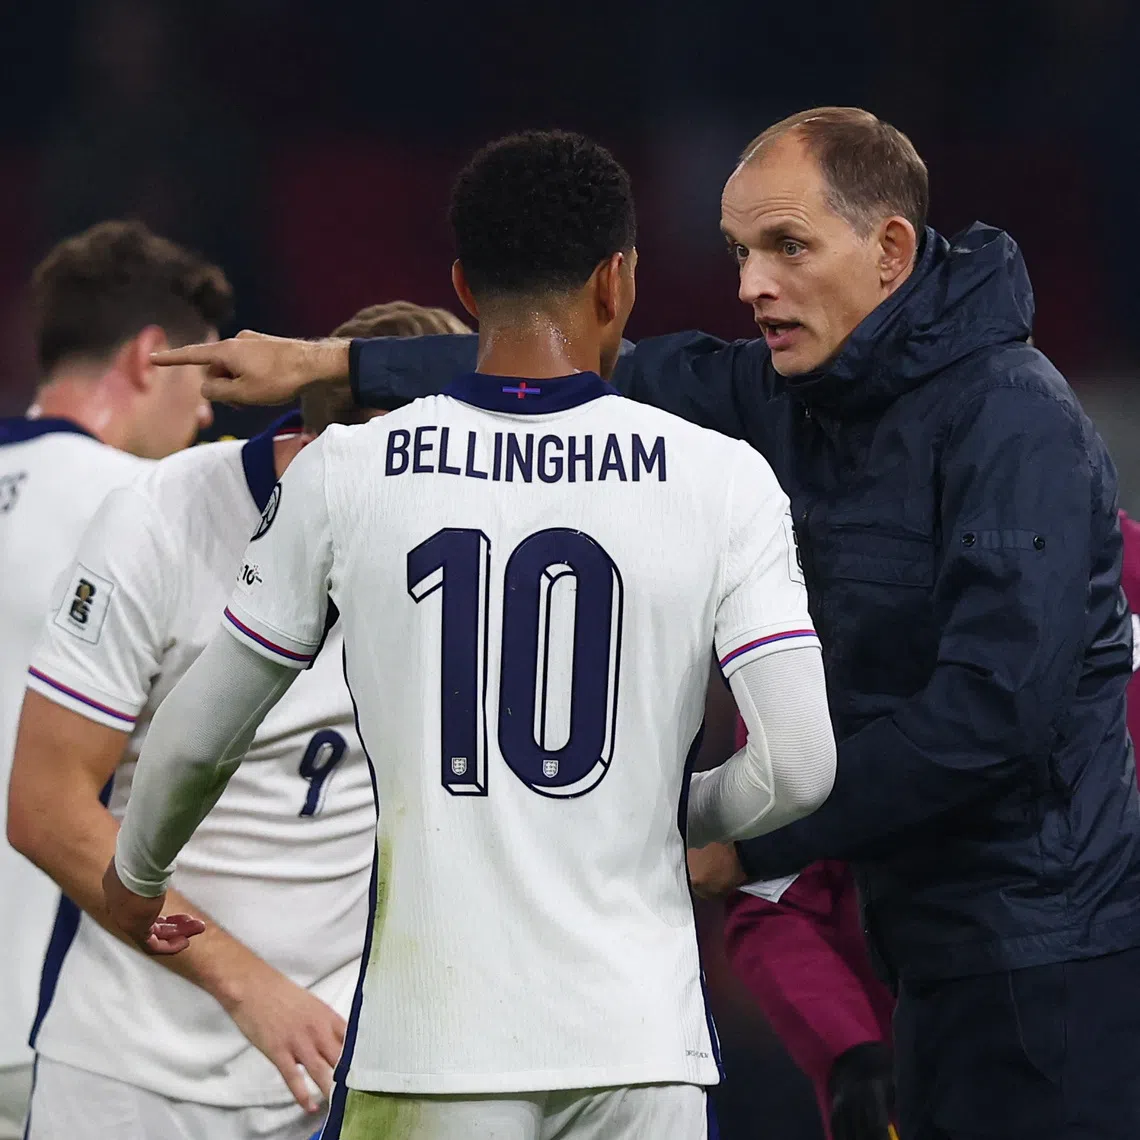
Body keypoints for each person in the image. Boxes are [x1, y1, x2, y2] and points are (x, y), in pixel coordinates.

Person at [164, 108, 1140, 1140]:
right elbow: (578, 366)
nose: (751, 283)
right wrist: (338, 368)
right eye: (739, 250)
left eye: (787, 247)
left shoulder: (1013, 418)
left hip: (1051, 964)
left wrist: (735, 831)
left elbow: (991, 715)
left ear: (890, 249)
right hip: (935, 952)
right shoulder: (794, 393)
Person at [104, 130, 837, 1140]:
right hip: (638, 1042)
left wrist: (136, 872)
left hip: (437, 1043)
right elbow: (798, 766)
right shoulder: (723, 477)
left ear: (462, 282)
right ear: (617, 283)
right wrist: (672, 814)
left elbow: (199, 732)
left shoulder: (350, 470)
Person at [7, 301, 469, 1140]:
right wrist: (245, 984)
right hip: (125, 1077)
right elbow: (45, 810)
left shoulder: (462, 550)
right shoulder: (162, 519)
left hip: (331, 1074)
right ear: (348, 455)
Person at [0, 219, 229, 1139]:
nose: (208, 415)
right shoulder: (148, 514)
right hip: (54, 1023)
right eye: (204, 382)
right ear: (150, 357)